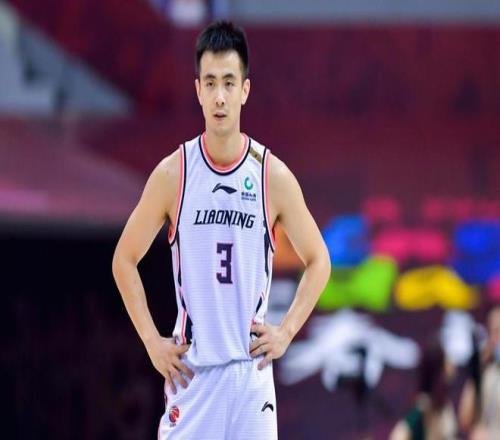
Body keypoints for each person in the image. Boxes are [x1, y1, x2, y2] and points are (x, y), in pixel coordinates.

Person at [111, 21, 330, 439]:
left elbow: (319, 260)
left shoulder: (271, 175)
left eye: (229, 83)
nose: (220, 96)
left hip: (251, 375)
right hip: (194, 375)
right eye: (210, 83)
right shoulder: (174, 174)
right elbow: (124, 259)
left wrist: (285, 332)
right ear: (197, 90)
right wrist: (152, 343)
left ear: (245, 90)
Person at [389, 339, 458, 440]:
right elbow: (399, 434)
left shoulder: (444, 404)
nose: (453, 364)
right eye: (448, 360)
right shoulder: (424, 406)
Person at [459, 305, 500, 439]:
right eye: (494, 332)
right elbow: (465, 419)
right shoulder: (489, 374)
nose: (498, 338)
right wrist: (477, 371)